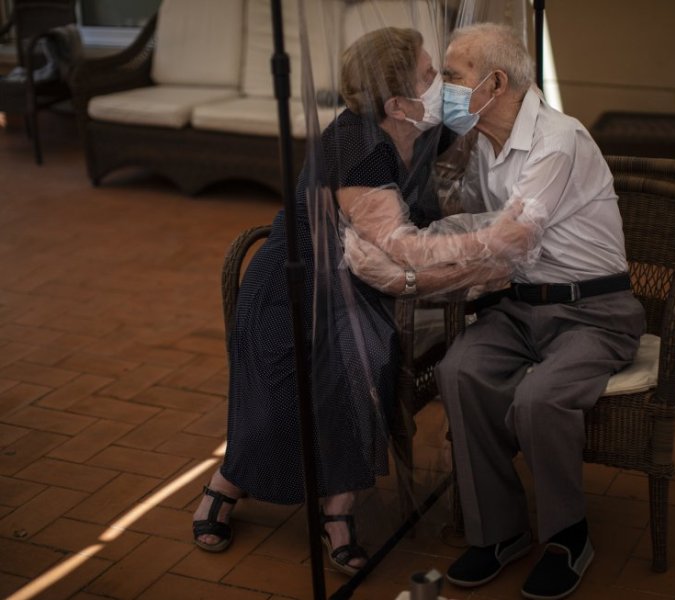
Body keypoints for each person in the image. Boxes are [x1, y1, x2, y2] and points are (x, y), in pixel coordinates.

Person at [191, 26, 534, 576]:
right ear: (396, 102)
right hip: (293, 286)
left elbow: (477, 112)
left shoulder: (416, 128)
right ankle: (225, 482)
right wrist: (492, 244)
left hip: (357, 284)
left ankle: (338, 510)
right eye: (430, 75)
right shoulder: (357, 148)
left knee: (366, 364)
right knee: (299, 380)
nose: (440, 84)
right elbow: (403, 247)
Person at [431, 23, 646, 600]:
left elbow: (508, 236)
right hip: (520, 309)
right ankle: (500, 532)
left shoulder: (559, 138)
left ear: (494, 83)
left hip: (594, 310)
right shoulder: (480, 141)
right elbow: (470, 223)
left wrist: (418, 269)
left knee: (539, 398)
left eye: (452, 76)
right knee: (458, 372)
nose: (443, 87)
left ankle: (568, 535)